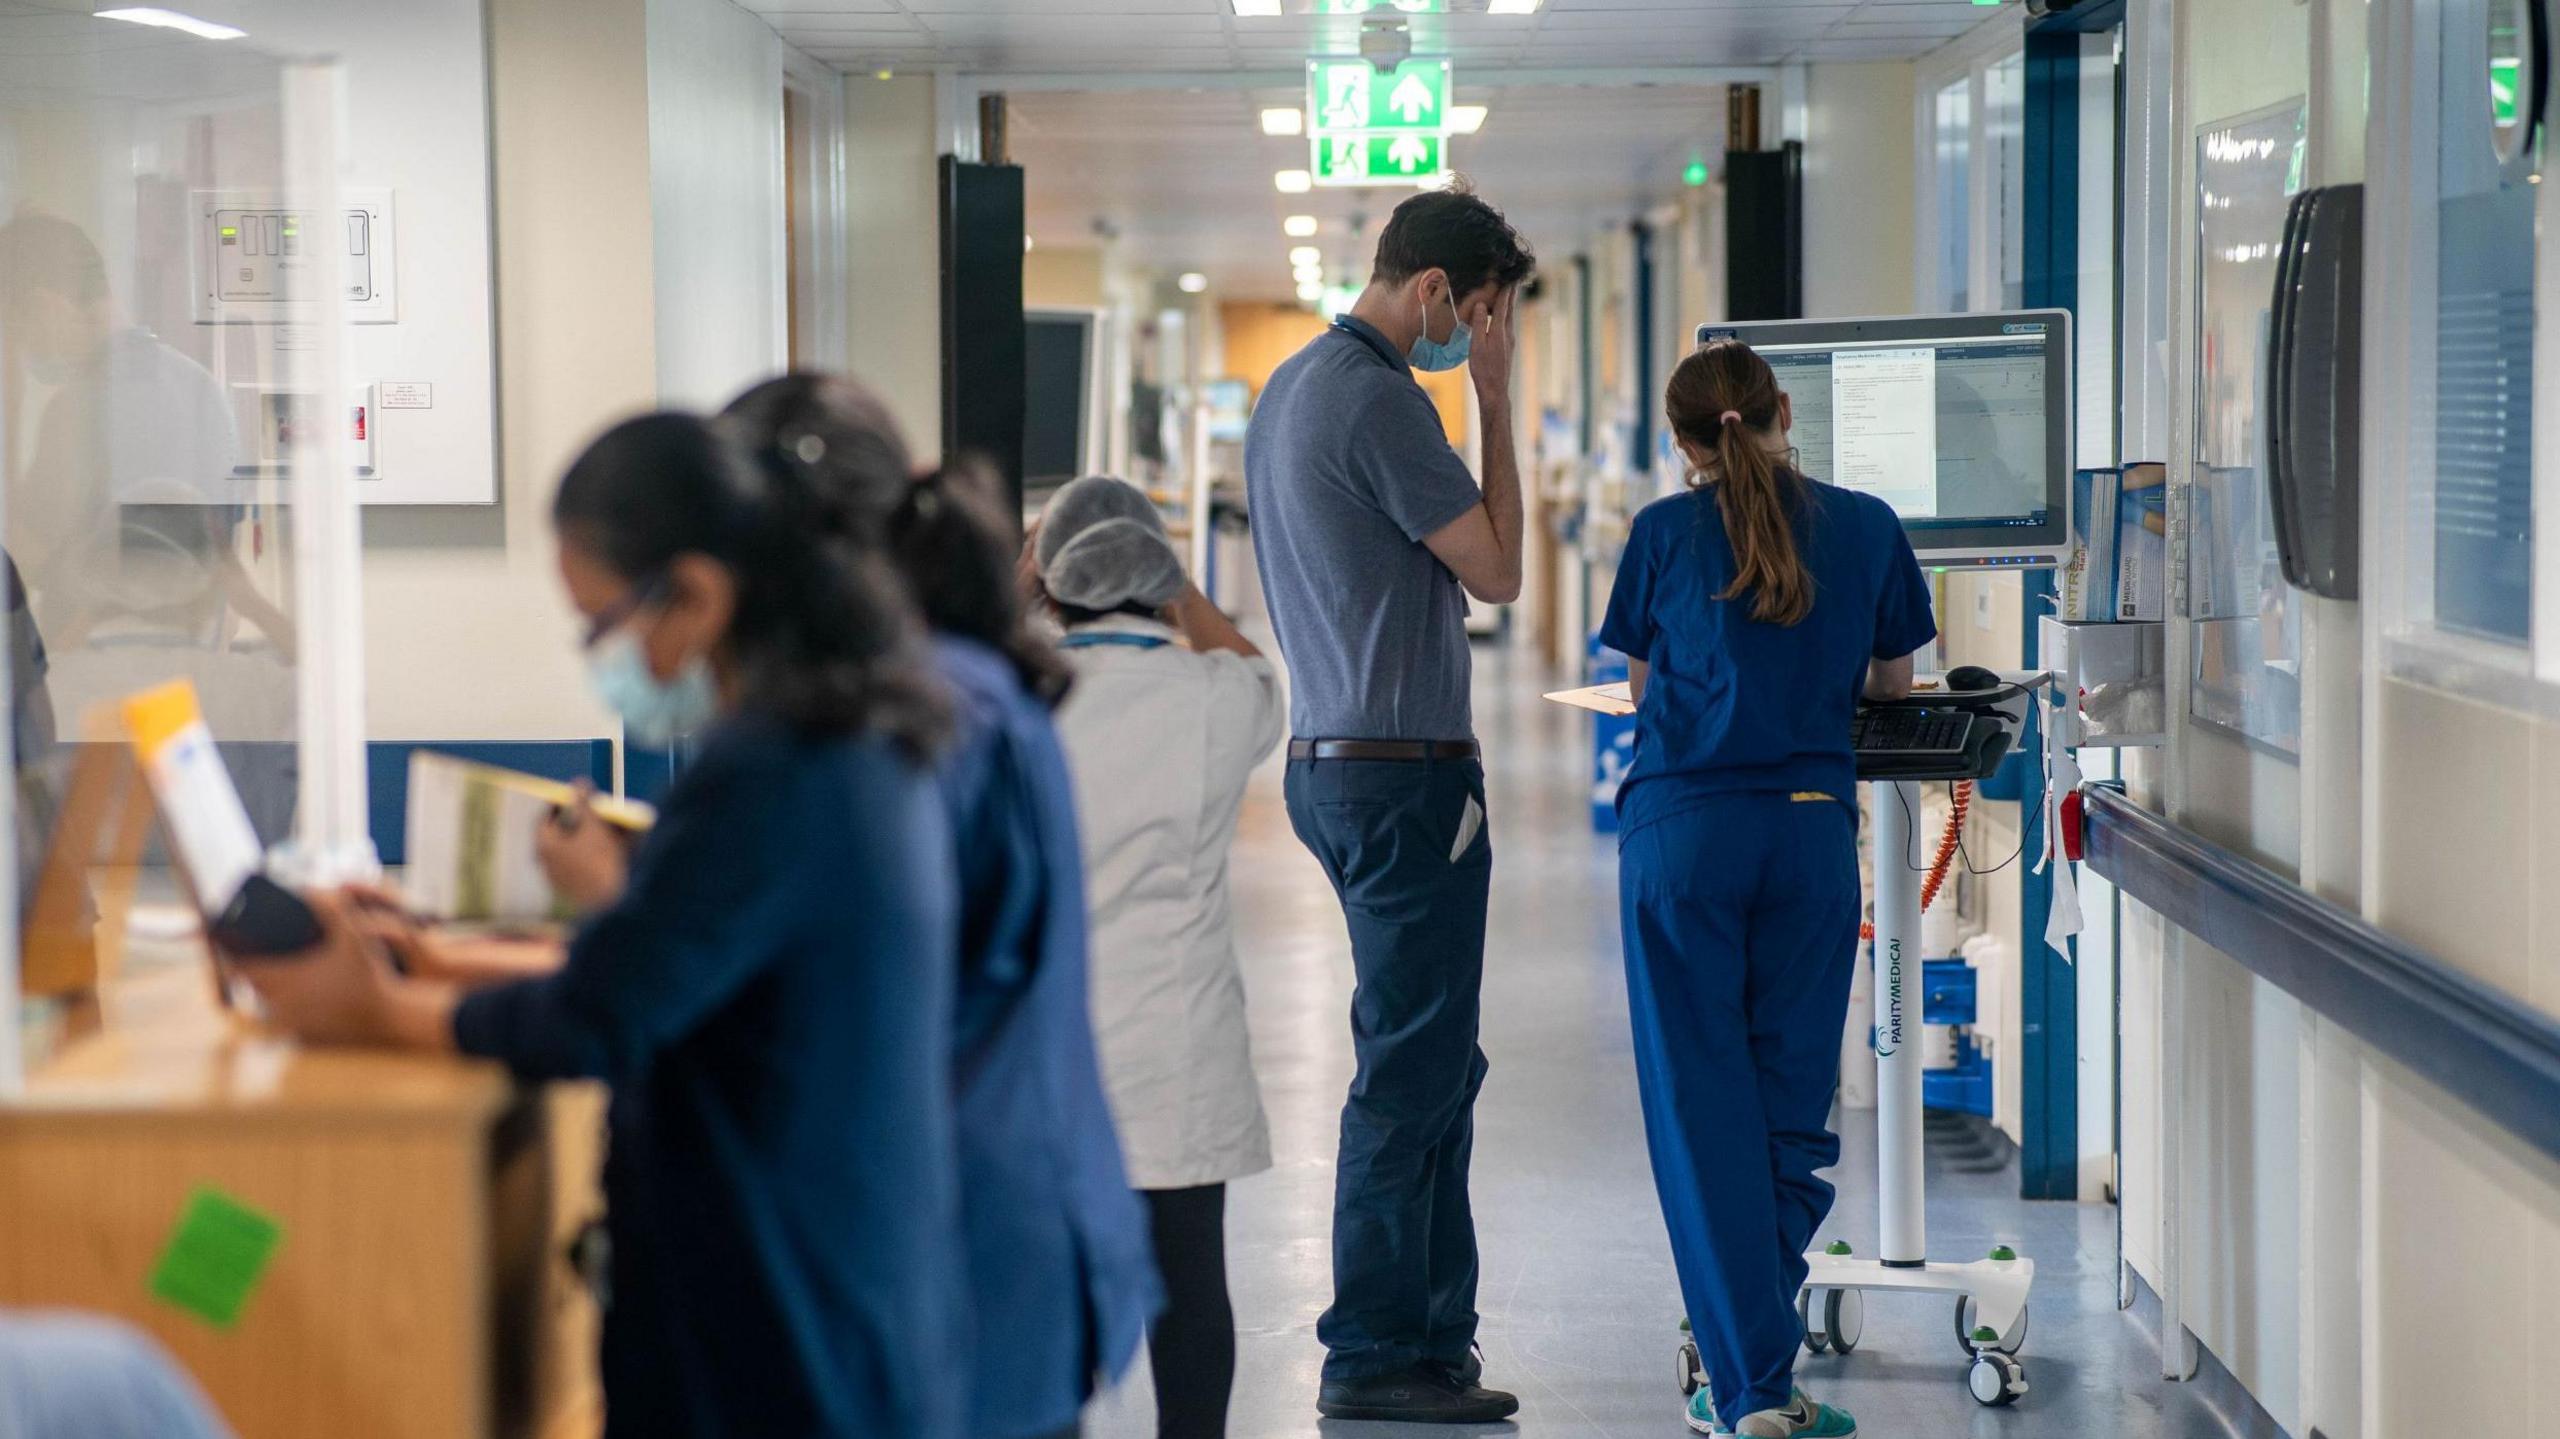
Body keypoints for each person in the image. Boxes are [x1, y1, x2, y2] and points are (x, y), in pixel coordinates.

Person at [241, 412, 970, 1439]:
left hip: (780, 1323)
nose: (603, 655)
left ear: (700, 593)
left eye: (601, 623)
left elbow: (599, 1015)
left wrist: (377, 1008)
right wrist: (434, 961)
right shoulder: (847, 738)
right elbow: (663, 962)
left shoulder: (772, 770)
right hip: (842, 1285)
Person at [720, 376, 1159, 1439]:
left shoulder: (921, 721)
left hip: (962, 1242)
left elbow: (854, 981)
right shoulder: (975, 683)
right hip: (1018, 1223)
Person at [1599, 341, 1937, 1439]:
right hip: (1804, 839)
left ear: (1682, 442)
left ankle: (1745, 1385)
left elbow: (1646, 689)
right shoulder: (1868, 525)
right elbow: (1893, 686)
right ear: (1786, 411)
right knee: (1789, 1112)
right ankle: (1755, 1369)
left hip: (1681, 839)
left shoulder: (1659, 534)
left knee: (1702, 1111)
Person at [1242, 181, 1533, 1424]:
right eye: (1477, 315)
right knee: (1410, 1072)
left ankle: (1430, 1331)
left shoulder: (1292, 387)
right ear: (1430, 293)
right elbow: (1503, 568)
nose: (1477, 336)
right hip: (1401, 776)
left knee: (1431, 1059)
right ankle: (1372, 1350)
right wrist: (1496, 401)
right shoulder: (1382, 398)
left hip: (1334, 759)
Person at [1029, 476, 1283, 1439]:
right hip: (1177, 1049)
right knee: (1188, 1287)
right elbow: (1257, 667)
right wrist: (1184, 590)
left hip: (1049, 1050)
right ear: (1162, 576)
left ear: (1052, 583)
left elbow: (945, 680)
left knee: (1049, 1297)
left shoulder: (1020, 701)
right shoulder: (1217, 698)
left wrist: (1023, 580)